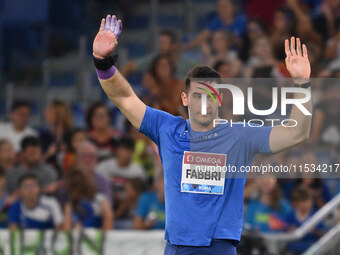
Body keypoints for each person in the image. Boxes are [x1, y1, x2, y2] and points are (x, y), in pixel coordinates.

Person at [93, 15, 312, 254]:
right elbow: (124, 98)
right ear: (185, 99)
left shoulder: (240, 136)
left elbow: (296, 133)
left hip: (219, 248)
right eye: (198, 95)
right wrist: (103, 62)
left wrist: (302, 83)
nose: (205, 103)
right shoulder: (166, 128)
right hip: (177, 248)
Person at [96, 136, 146, 210]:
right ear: (117, 150)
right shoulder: (103, 167)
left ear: (133, 152)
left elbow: (140, 195)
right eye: (122, 149)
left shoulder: (138, 172)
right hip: (107, 204)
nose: (125, 153)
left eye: (128, 150)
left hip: (129, 208)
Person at [285, 187, 325, 255]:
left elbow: (322, 233)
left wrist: (314, 231)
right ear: (297, 203)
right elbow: (285, 228)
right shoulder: (291, 215)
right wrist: (290, 230)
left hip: (311, 246)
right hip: (295, 246)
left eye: (309, 200)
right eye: (304, 201)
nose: (308, 204)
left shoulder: (316, 215)